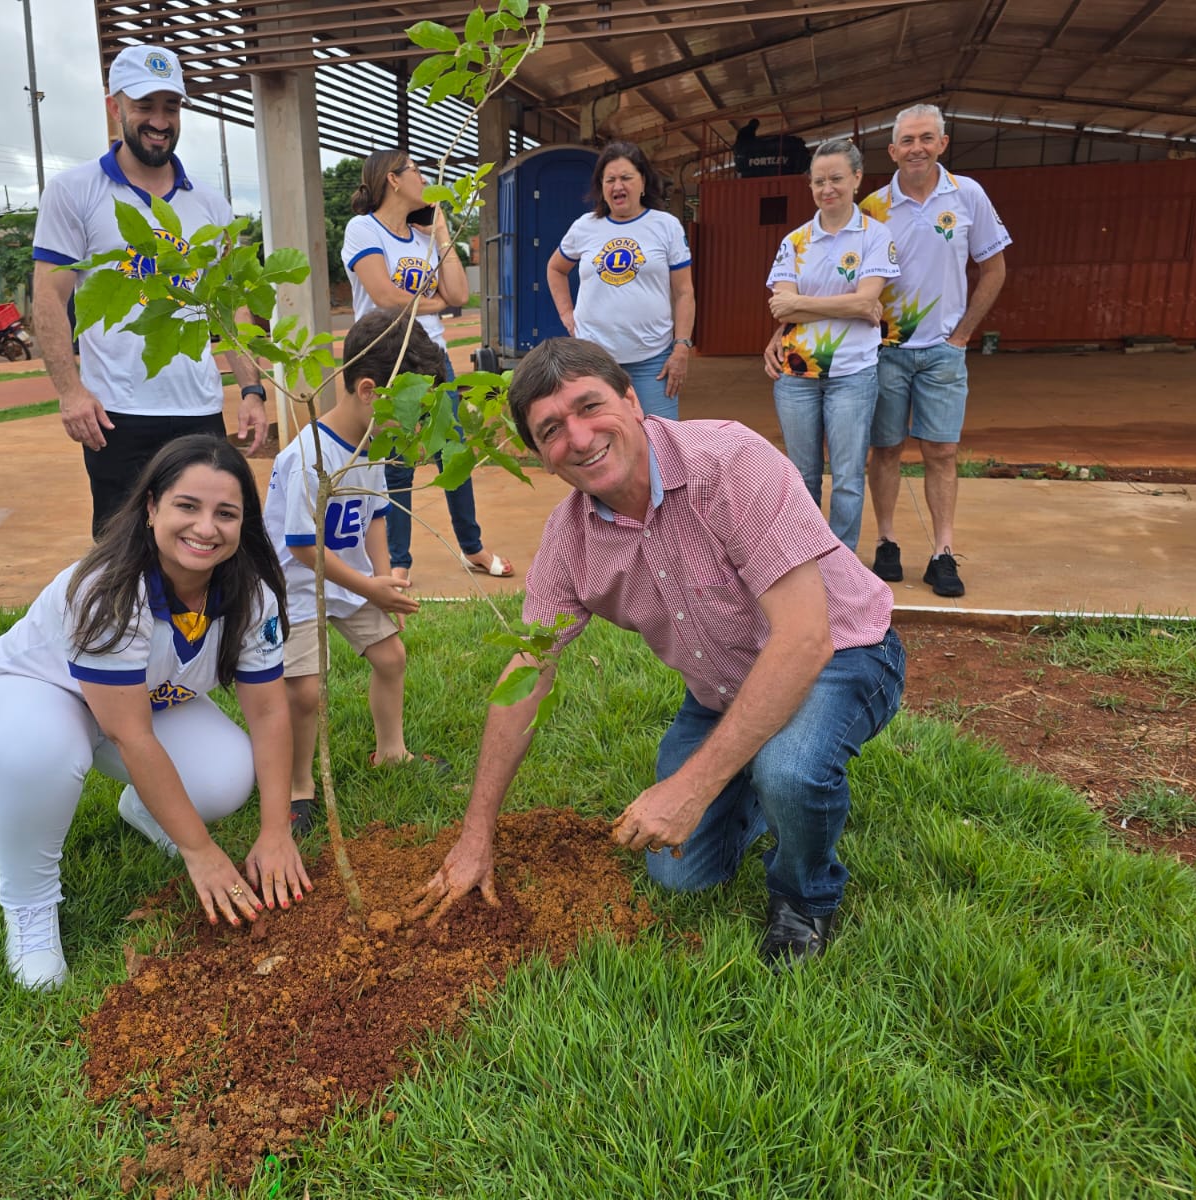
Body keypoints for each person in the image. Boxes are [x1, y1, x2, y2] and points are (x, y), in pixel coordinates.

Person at [408, 338, 905, 969]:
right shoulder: (569, 539)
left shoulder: (730, 462)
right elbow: (527, 673)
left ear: (633, 399)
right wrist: (477, 833)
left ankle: (804, 896)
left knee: (791, 770)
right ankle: (753, 780)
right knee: (680, 873)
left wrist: (691, 787)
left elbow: (807, 638)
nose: (580, 437)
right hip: (724, 688)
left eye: (590, 406)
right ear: (540, 457)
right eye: (552, 430)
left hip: (844, 652)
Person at [0, 435, 309, 990]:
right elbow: (131, 736)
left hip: (135, 707)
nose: (205, 527)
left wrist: (275, 832)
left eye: (226, 513)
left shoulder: (250, 594)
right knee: (44, 750)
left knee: (224, 776)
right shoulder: (109, 590)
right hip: (35, 693)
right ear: (151, 508)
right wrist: (201, 852)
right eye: (186, 506)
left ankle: (146, 810)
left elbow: (268, 713)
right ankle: (29, 905)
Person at [32, 43, 270, 538]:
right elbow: (49, 298)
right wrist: (71, 393)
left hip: (199, 412)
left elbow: (230, 308)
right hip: (117, 416)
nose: (160, 120)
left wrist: (251, 389)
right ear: (114, 107)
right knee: (122, 555)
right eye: (145, 106)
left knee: (207, 546)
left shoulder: (208, 204)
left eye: (171, 106)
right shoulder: (74, 192)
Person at [773, 104, 1009, 598]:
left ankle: (943, 551)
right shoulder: (875, 208)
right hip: (882, 351)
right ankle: (885, 542)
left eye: (927, 138)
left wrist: (963, 333)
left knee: (941, 451)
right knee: (883, 452)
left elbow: (993, 267)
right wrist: (782, 330)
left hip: (941, 349)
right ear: (892, 150)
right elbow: (808, 294)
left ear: (943, 143)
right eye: (907, 140)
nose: (917, 147)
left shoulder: (967, 195)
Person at [264, 310, 450, 835]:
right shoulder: (308, 458)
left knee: (391, 656)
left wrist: (386, 579)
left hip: (355, 579)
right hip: (296, 587)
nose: (416, 425)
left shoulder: (372, 447)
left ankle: (391, 752)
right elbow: (303, 548)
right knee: (303, 693)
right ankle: (300, 786)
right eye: (413, 409)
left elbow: (377, 514)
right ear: (371, 391)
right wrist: (370, 586)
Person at [342, 148, 513, 582]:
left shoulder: (423, 238)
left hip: (433, 357)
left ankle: (472, 547)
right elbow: (383, 296)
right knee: (397, 461)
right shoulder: (363, 229)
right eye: (418, 171)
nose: (426, 180)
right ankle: (399, 561)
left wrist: (439, 229)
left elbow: (459, 295)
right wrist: (434, 304)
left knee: (452, 452)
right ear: (393, 180)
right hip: (388, 359)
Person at [763, 138, 898, 550]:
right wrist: (851, 305)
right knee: (801, 477)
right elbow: (782, 312)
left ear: (857, 178)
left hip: (853, 375)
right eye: (819, 181)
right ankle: (806, 559)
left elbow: (867, 301)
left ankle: (842, 566)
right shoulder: (795, 241)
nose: (828, 189)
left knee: (848, 477)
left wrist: (803, 303)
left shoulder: (876, 236)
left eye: (837, 178)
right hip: (796, 376)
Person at [546, 140, 695, 420]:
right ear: (601, 186)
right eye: (610, 179)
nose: (618, 186)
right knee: (603, 437)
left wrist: (681, 347)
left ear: (643, 182)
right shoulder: (585, 227)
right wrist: (567, 313)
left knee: (660, 441)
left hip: (653, 362)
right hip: (594, 361)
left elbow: (685, 292)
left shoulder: (666, 226)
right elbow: (555, 268)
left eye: (626, 178)